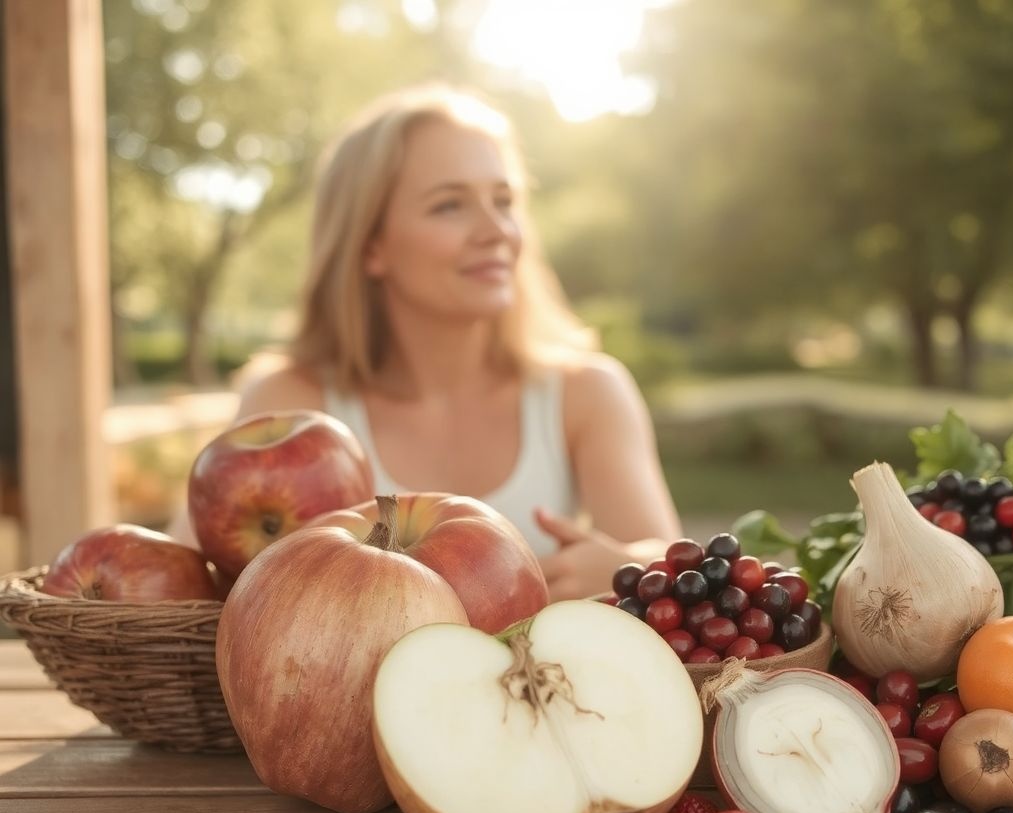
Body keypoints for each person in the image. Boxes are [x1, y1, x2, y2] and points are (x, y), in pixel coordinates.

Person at [220, 84, 681, 600]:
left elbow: (678, 566)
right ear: (371, 246)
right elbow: (183, 591)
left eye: (504, 200)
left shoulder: (586, 392)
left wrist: (633, 572)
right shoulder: (289, 404)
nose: (497, 230)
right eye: (449, 206)